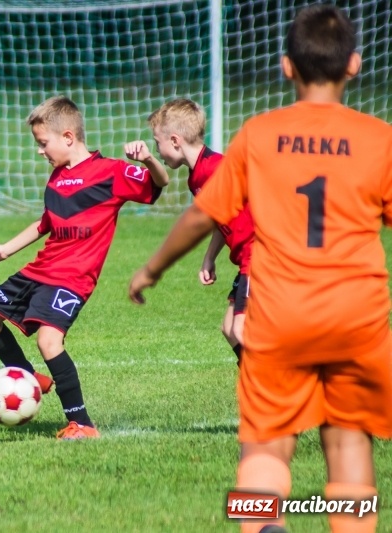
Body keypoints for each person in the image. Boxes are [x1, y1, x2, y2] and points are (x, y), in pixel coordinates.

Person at [128, 5, 392, 533]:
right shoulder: (380, 139)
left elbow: (205, 213)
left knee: (265, 451)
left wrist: (152, 268)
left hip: (280, 314)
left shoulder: (260, 134)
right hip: (356, 318)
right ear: (356, 65)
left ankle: (264, 524)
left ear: (286, 67)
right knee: (348, 446)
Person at [0, 95, 170, 440]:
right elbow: (46, 222)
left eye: (42, 143)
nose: (39, 151)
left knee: (50, 341)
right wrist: (6, 249)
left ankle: (82, 423)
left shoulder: (111, 172)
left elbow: (160, 183)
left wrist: (149, 159)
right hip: (41, 269)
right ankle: (30, 377)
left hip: (73, 277)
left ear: (68, 137)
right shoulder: (57, 177)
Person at [148, 99, 254, 362]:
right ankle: (264, 388)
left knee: (242, 331)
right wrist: (210, 257)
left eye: (157, 142)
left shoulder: (218, 169)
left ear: (175, 141)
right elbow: (222, 216)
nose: (157, 150)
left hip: (262, 258)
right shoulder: (196, 177)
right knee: (229, 329)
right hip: (246, 261)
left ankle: (278, 391)